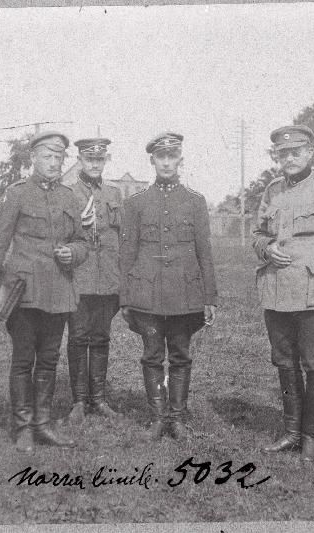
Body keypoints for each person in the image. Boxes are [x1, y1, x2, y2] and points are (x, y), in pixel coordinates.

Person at [0, 130, 88, 453]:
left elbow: (82, 243)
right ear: (34, 159)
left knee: (50, 360)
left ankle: (43, 424)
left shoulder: (69, 198)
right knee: (24, 359)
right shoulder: (18, 195)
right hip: (23, 294)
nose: (53, 163)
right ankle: (23, 427)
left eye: (58, 157)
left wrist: (73, 253)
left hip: (58, 293)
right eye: (47, 157)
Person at [251, 124, 314, 461]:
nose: (290, 158)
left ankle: (311, 436)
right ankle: (291, 431)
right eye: (284, 153)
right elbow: (257, 233)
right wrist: (266, 247)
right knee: (284, 361)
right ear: (277, 157)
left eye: (296, 151)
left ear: (309, 153)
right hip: (278, 293)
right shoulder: (271, 190)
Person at [119, 132, 217, 442]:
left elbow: (205, 251)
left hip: (184, 294)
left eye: (171, 156)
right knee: (151, 355)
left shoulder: (195, 201)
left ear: (180, 160)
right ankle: (158, 417)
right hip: (146, 293)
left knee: (180, 355)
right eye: (160, 157)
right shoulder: (136, 203)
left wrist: (210, 297)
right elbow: (128, 252)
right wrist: (125, 297)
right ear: (152, 160)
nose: (166, 162)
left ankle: (177, 417)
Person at [65, 137, 123, 423]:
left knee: (101, 337)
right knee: (78, 337)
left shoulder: (114, 193)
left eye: (99, 160)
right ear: (79, 161)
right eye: (89, 160)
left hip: (108, 279)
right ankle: (78, 401)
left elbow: (122, 237)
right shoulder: (69, 193)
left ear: (105, 161)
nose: (95, 164)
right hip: (79, 277)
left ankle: (98, 399)